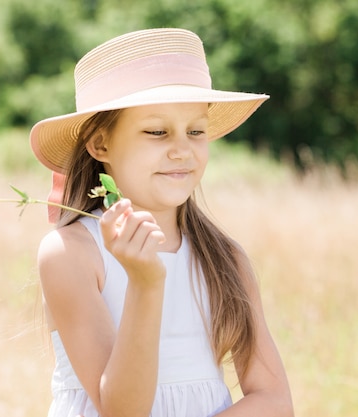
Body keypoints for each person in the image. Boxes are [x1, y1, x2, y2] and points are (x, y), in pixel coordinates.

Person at [29, 28, 294, 417]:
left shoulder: (224, 258)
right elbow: (121, 410)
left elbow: (274, 401)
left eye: (196, 131)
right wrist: (146, 283)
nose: (182, 150)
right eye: (157, 131)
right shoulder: (72, 253)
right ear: (101, 145)